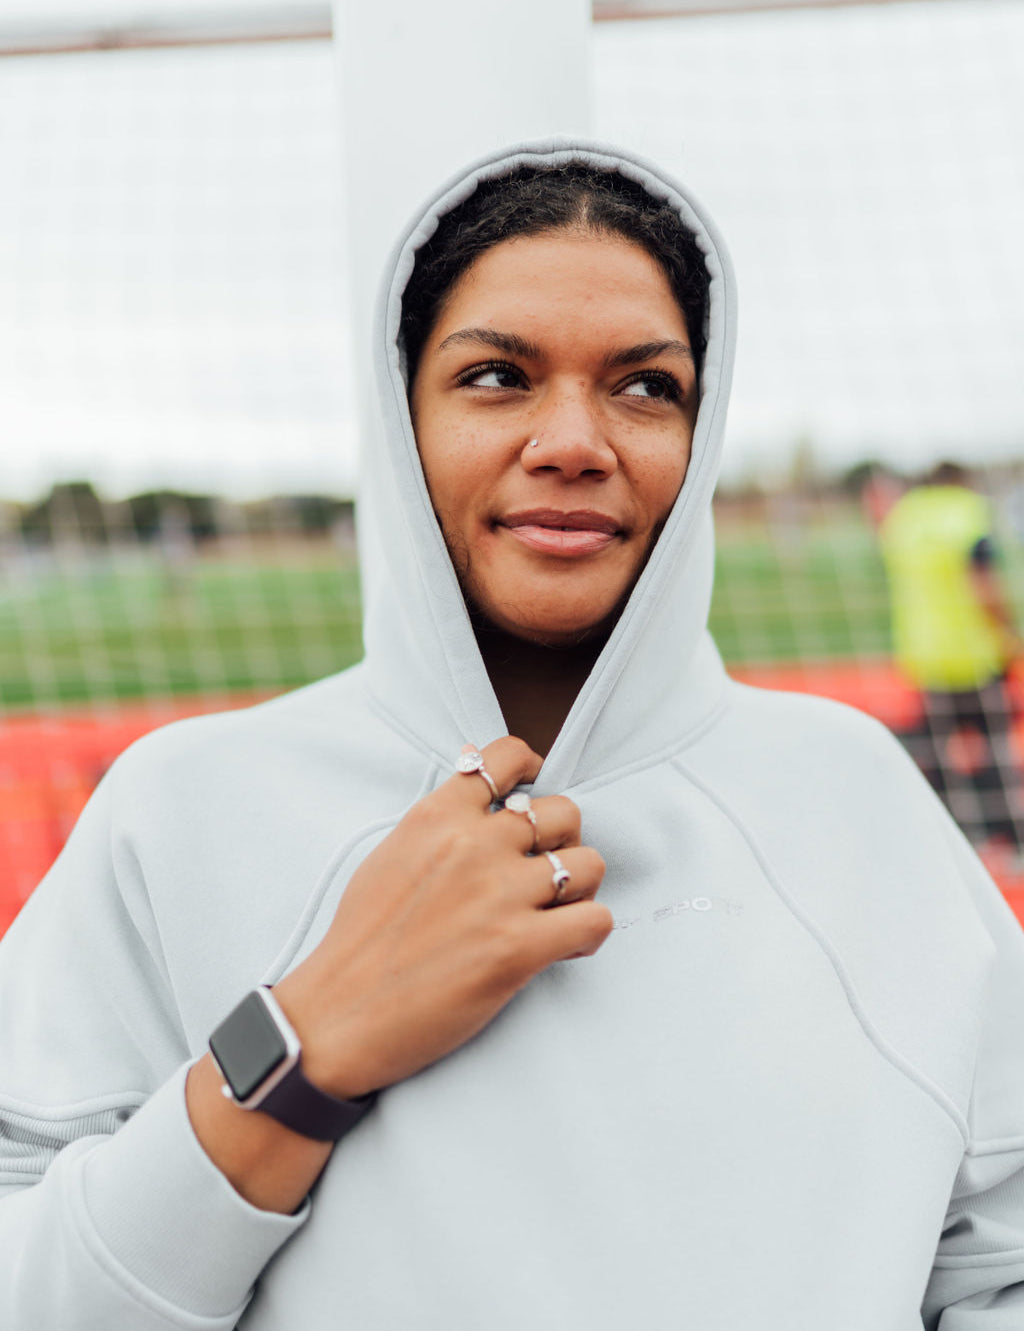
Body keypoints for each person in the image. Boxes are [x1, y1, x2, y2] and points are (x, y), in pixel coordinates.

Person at [2, 139, 1024, 1330]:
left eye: (645, 386)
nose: (573, 439)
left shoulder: (853, 794)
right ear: (403, 415)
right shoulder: (181, 808)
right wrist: (302, 1037)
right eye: (496, 376)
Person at [880, 461, 1024, 859]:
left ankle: (944, 830)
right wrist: (1008, 635)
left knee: (939, 745)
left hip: (925, 652)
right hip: (973, 653)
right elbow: (985, 585)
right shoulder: (969, 515)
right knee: (993, 745)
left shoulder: (905, 518)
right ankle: (1007, 835)